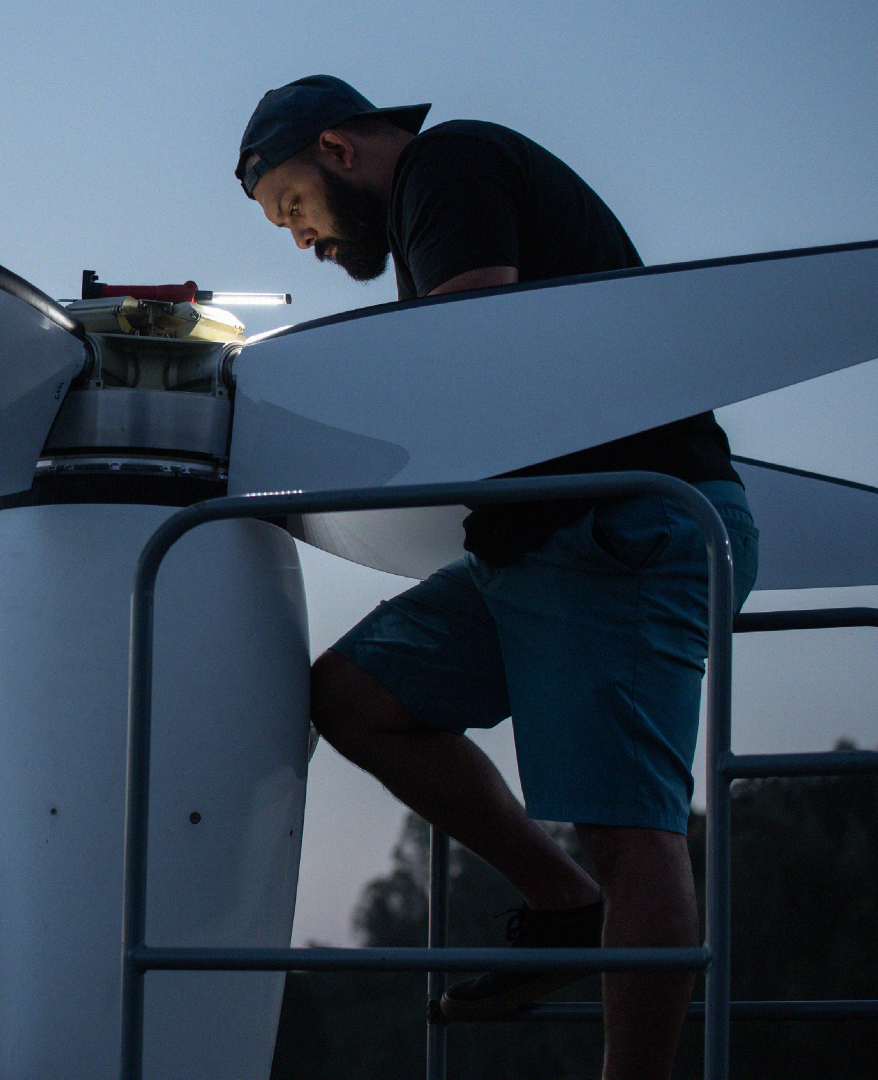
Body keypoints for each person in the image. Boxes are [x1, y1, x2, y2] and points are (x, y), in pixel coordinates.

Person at [236, 75, 760, 1080]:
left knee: (629, 824)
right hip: (540, 548)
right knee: (357, 696)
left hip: (624, 529)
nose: (301, 239)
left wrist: (291, 414)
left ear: (339, 149)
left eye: (292, 207)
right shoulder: (433, 210)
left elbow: (470, 345)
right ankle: (567, 907)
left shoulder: (452, 165)